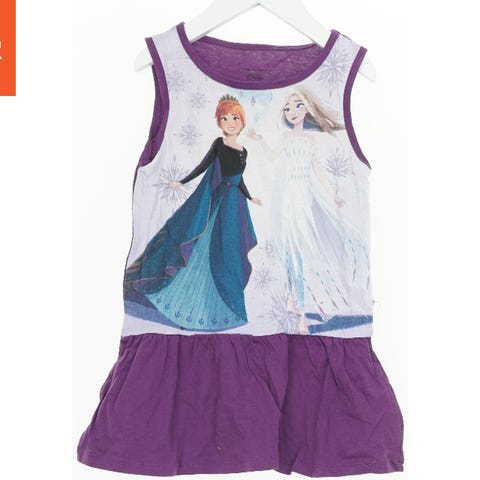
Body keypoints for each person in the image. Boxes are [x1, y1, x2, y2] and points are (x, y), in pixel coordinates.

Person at [123, 93, 261, 331]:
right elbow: (203, 166)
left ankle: (223, 305)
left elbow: (239, 179)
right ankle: (184, 300)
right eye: (225, 118)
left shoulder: (243, 150)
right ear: (219, 122)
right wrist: (182, 181)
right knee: (202, 246)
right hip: (216, 202)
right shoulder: (219, 144)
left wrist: (250, 197)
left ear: (242, 121)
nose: (230, 122)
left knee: (228, 251)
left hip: (234, 205)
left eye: (235, 118)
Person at [246, 85, 369, 334]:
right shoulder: (286, 138)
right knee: (292, 250)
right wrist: (259, 140)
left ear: (307, 109)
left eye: (298, 105)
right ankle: (298, 306)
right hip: (288, 200)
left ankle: (303, 303)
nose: (292, 111)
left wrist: (333, 193)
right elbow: (271, 157)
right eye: (288, 108)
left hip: (306, 199)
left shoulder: (310, 141)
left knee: (305, 248)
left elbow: (319, 171)